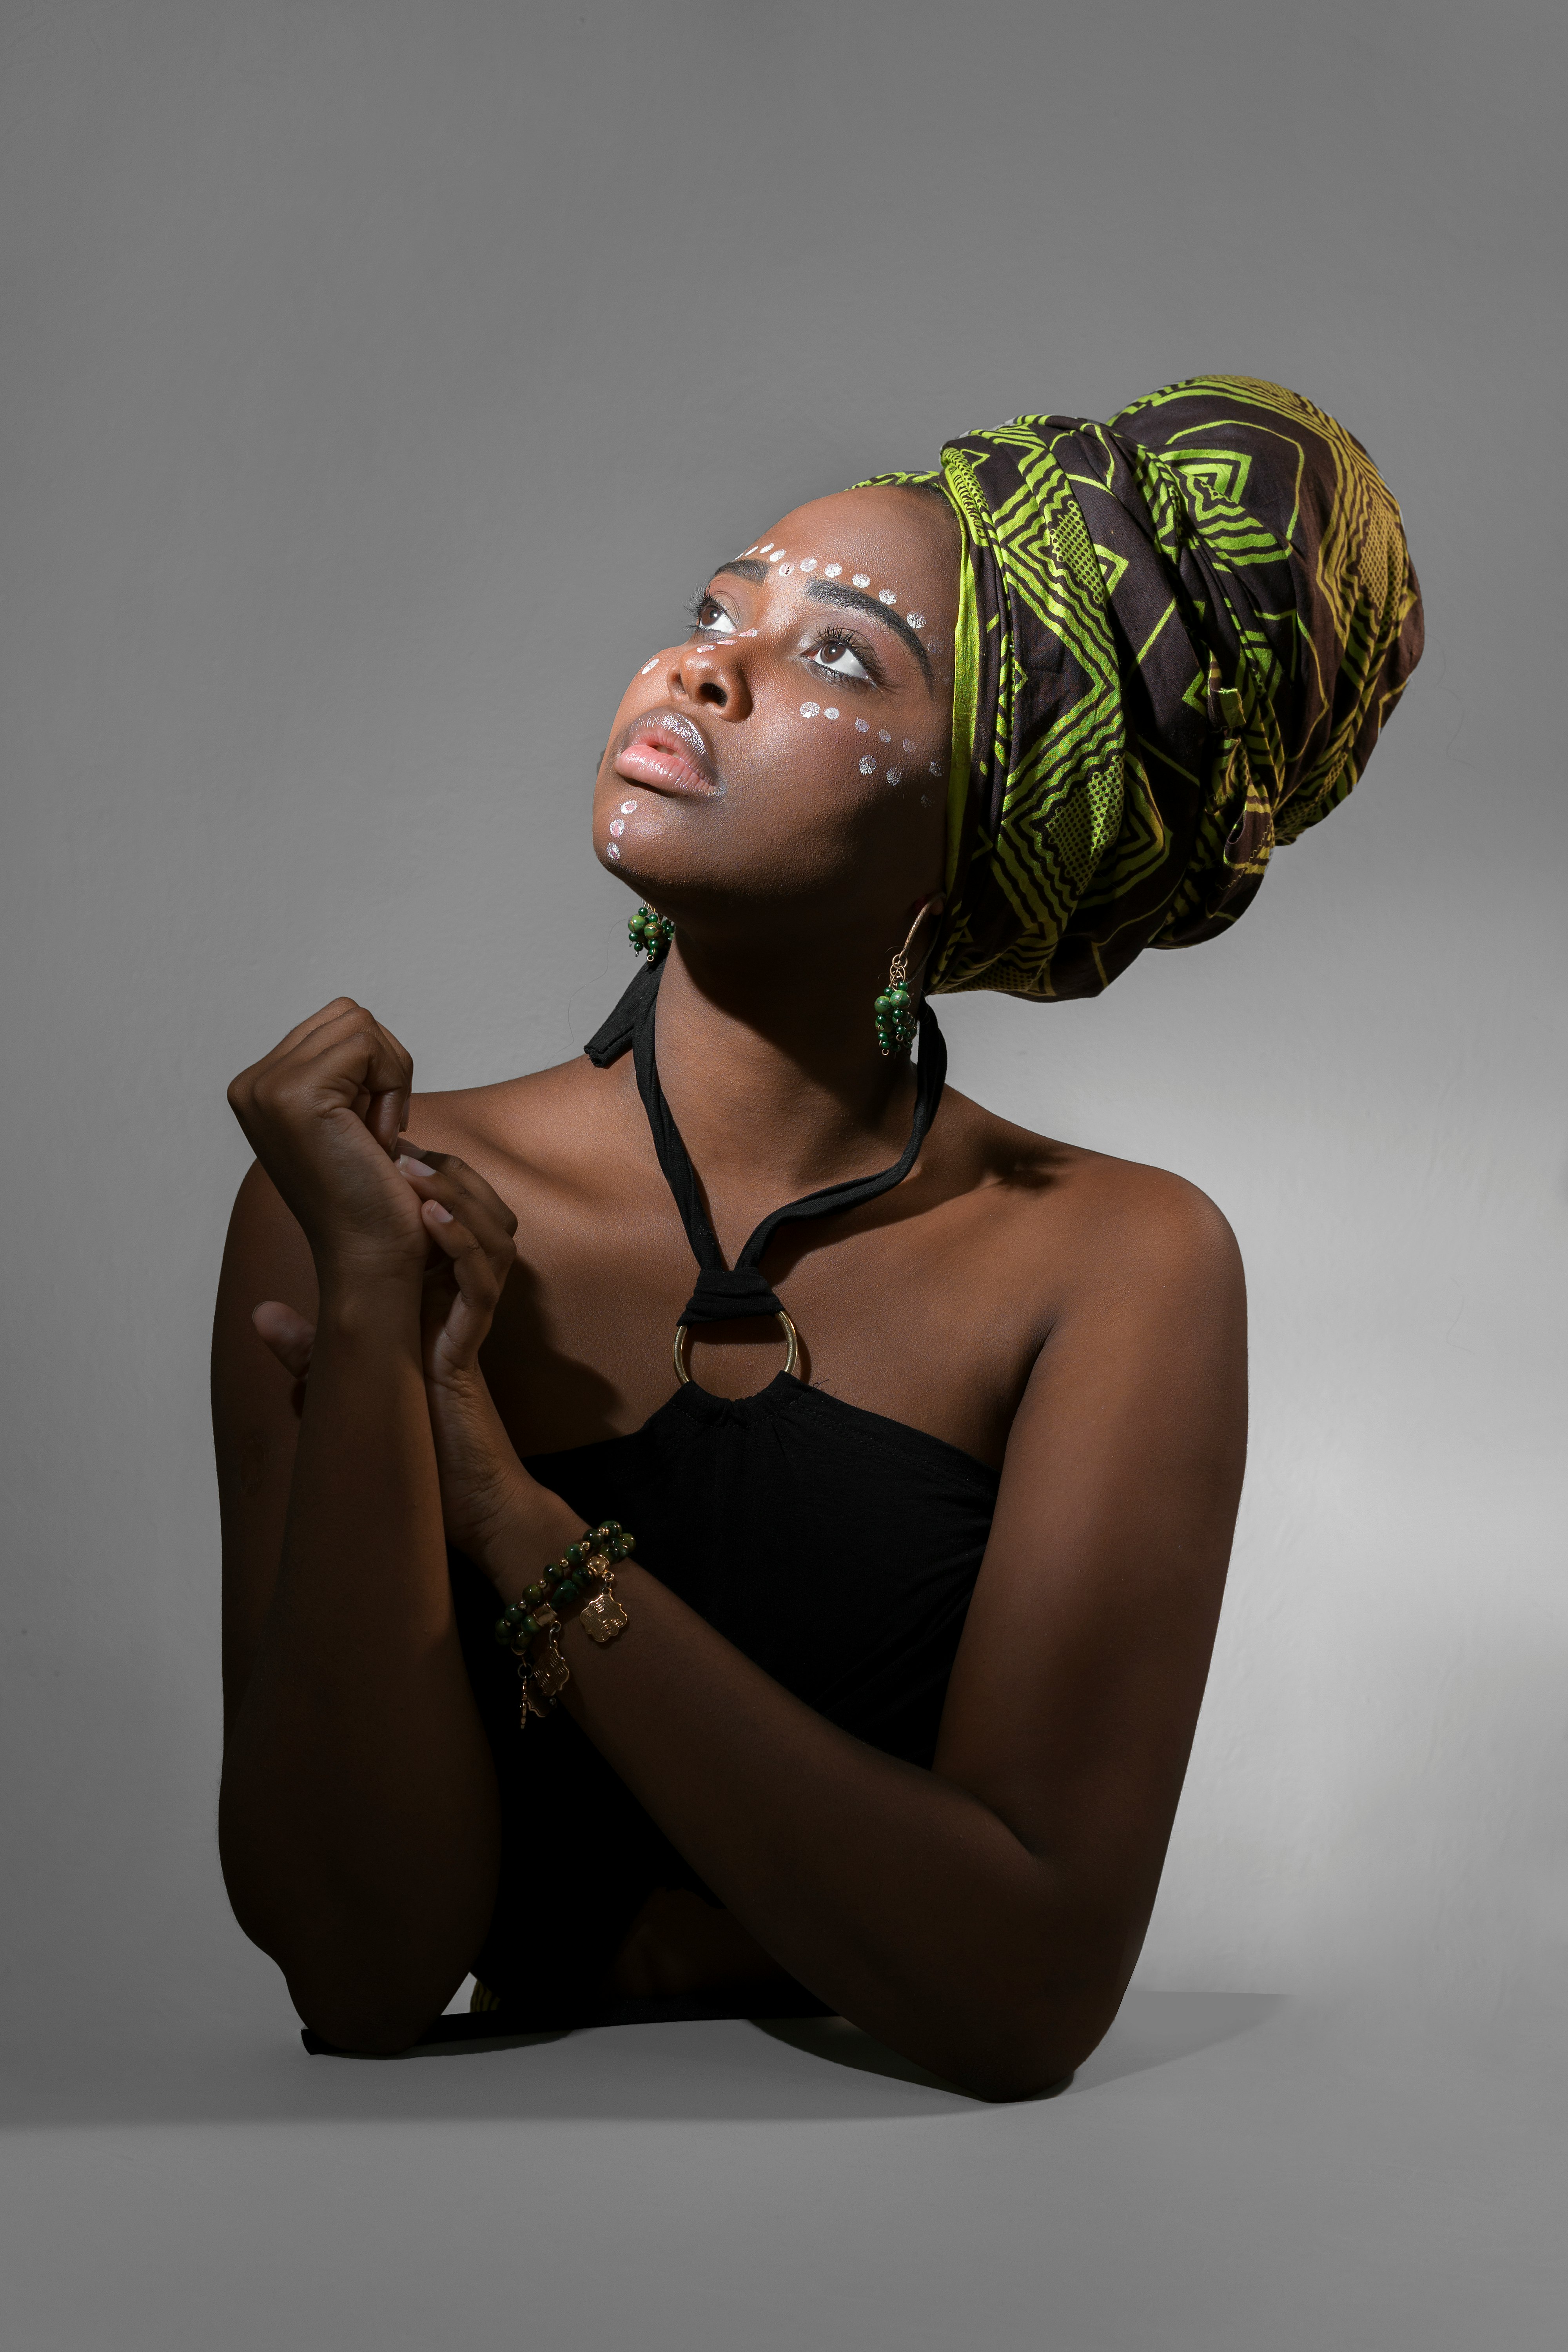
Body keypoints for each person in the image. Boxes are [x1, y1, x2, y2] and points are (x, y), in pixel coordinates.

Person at [213, 377, 1422, 2100]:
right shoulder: (351, 1193)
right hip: (462, 2256)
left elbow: (1016, 1998)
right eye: (722, 608)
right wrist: (357, 1305)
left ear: (990, 817)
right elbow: (363, 1974)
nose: (703, 666)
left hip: (944, 2261)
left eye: (844, 661)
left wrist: (508, 1510)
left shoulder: (1116, 1264)